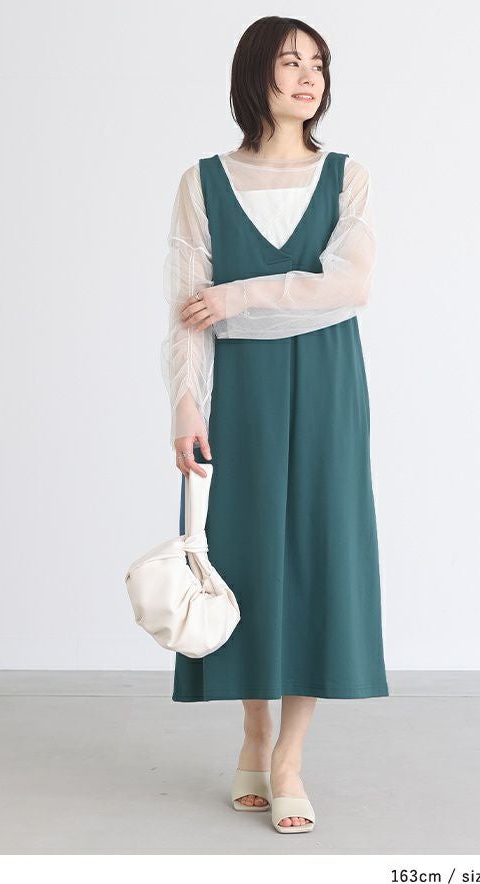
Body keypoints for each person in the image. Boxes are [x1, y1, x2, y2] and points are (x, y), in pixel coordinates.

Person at [160, 16, 388, 835]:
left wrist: (240, 296)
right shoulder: (202, 182)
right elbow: (185, 307)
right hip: (238, 394)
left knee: (319, 558)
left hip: (326, 386)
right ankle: (254, 733)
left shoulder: (347, 176)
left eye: (318, 63)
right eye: (291, 62)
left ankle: (289, 757)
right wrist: (185, 402)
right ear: (254, 73)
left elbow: (348, 288)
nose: (308, 76)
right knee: (243, 558)